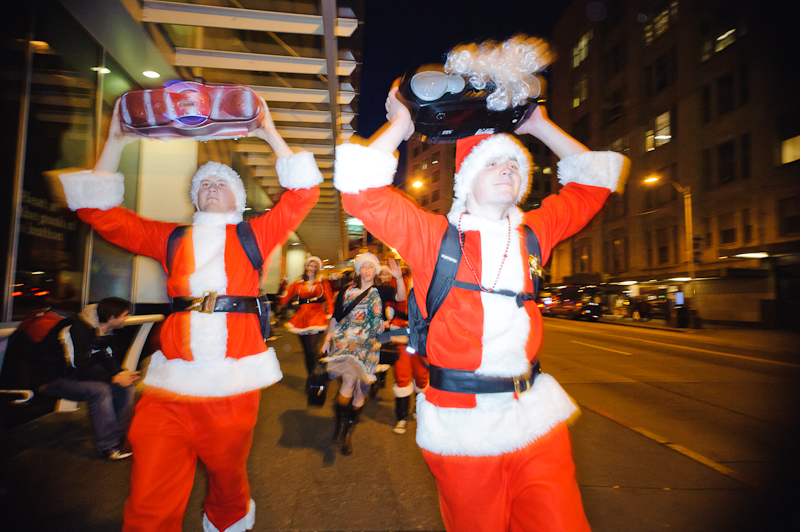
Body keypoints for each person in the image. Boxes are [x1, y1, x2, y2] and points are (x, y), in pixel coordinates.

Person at [333, 75, 629, 530]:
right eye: (496, 164)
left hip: (534, 418)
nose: (509, 167)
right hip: (461, 427)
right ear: (468, 181)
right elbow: (358, 190)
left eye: (516, 164)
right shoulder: (434, 237)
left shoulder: (533, 233)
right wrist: (403, 123)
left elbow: (594, 184)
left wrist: (541, 126)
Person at [58, 97, 323, 532]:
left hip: (232, 385)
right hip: (170, 385)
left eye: (222, 183)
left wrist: (268, 132)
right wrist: (115, 141)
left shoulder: (254, 233)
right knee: (149, 488)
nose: (211, 186)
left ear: (238, 198)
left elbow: (304, 194)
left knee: (226, 478)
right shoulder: (172, 238)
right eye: (204, 184)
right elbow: (98, 213)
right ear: (194, 198)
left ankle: (228, 519)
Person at [41, 297, 139, 460]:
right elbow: (77, 365)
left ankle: (120, 438)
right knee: (100, 390)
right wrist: (112, 379)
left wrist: (120, 374)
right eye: (125, 315)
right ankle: (107, 447)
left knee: (126, 386)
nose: (127, 318)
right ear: (112, 318)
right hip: (56, 378)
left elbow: (109, 358)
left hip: (80, 377)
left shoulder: (104, 331)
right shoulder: (77, 329)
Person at [321, 253, 385, 455]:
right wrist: (326, 339)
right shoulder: (346, 292)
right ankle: (341, 426)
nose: (366, 271)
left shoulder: (380, 293)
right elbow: (336, 317)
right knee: (348, 382)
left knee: (360, 391)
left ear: (375, 271)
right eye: (363, 267)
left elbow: (399, 299)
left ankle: (348, 430)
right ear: (358, 270)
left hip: (369, 346)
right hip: (347, 342)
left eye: (370, 267)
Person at [279, 257, 334, 377]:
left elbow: (329, 298)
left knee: (313, 350)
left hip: (318, 316)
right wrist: (282, 287)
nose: (312, 268)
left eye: (314, 266)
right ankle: (312, 377)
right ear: (306, 267)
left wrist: (330, 314)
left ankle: (316, 375)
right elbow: (283, 300)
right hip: (301, 318)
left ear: (317, 268)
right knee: (308, 352)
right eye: (310, 265)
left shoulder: (322, 281)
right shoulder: (297, 283)